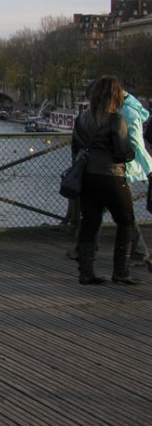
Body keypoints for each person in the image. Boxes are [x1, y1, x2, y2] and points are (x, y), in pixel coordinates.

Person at [72, 75, 137, 285]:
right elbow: (123, 152)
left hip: (87, 176)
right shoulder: (116, 120)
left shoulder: (81, 118)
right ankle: (120, 271)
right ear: (116, 96)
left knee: (89, 223)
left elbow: (75, 148)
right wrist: (130, 154)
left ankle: (86, 272)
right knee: (125, 221)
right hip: (112, 176)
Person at [121, 92, 152, 269]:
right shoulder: (129, 112)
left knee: (123, 211)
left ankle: (139, 252)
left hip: (123, 168)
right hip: (124, 168)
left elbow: (139, 142)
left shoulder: (125, 113)